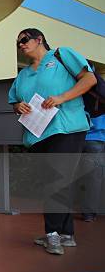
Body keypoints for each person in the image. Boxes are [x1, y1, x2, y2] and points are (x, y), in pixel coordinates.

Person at [9, 28, 97, 255]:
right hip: (37, 133)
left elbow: (89, 78)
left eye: (24, 40)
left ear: (39, 39)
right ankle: (66, 234)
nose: (21, 45)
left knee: (56, 180)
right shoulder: (24, 74)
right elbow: (14, 100)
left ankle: (53, 234)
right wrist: (18, 106)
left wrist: (61, 97)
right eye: (18, 43)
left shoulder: (61, 55)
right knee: (59, 181)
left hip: (67, 128)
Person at [79, 113, 104, 222]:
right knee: (93, 177)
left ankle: (60, 212)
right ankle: (88, 214)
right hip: (96, 135)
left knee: (66, 172)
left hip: (73, 133)